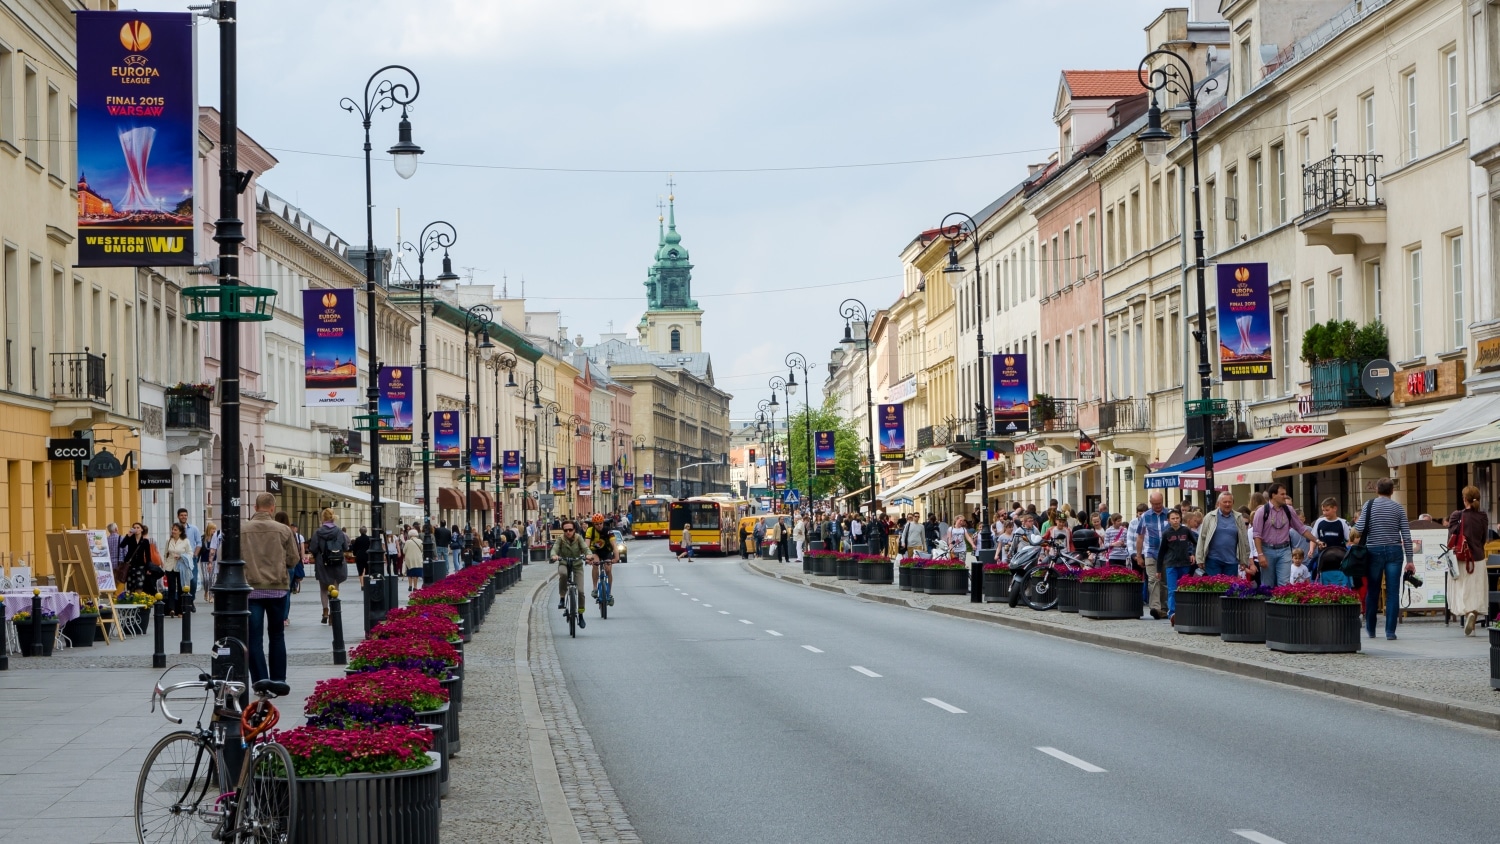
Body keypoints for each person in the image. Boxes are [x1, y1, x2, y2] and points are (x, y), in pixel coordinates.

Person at [241, 492, 299, 684]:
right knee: (276, 635)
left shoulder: (242, 529)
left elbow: (227, 557)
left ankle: (260, 680)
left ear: (255, 508)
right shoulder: (283, 530)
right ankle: (279, 679)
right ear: (272, 508)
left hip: (251, 590)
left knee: (254, 638)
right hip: (277, 589)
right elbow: (294, 559)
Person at [1351, 478, 1416, 640]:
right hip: (1394, 551)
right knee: (1393, 592)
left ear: (1376, 490)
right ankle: (1390, 632)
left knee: (1373, 590)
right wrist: (1410, 559)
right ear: (1392, 491)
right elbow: (1406, 536)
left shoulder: (1369, 505)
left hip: (1373, 551)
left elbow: (1359, 528)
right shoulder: (1398, 508)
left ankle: (1371, 629)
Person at [1252, 484, 1318, 588]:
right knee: (1268, 584)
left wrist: (1316, 540)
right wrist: (1260, 555)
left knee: (1284, 584)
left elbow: (1301, 529)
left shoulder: (1289, 510)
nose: (1285, 496)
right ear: (1273, 495)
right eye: (1282, 494)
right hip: (1267, 550)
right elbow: (1256, 535)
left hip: (1285, 550)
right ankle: (1268, 604)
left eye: (1285, 494)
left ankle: (1282, 603)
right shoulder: (1261, 512)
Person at [1447, 485, 1489, 635]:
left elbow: (1450, 539)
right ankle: (1473, 621)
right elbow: (1484, 538)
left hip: (1460, 559)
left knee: (1462, 589)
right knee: (1477, 591)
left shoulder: (1456, 516)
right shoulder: (1483, 516)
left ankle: (1468, 615)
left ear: (1464, 499)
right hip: (1477, 558)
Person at [307, 508, 349, 625]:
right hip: (337, 562)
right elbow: (345, 547)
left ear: (323, 518)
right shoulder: (339, 532)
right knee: (335, 588)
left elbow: (313, 548)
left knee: (324, 588)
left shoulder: (318, 532)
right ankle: (333, 614)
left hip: (322, 562)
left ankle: (325, 611)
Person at [1134, 492, 1172, 619]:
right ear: (1151, 503)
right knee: (1153, 580)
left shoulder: (1170, 515)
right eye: (1155, 504)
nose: (1158, 506)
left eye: (1160, 503)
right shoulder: (1145, 516)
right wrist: (1139, 555)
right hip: (1151, 552)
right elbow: (1140, 536)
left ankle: (1165, 607)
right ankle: (1155, 608)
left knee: (1165, 581)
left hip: (1167, 553)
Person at [1196, 491, 1250, 578]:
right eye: (1225, 502)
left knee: (1229, 590)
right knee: (1214, 589)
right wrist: (1200, 558)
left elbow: (1244, 540)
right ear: (1218, 503)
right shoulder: (1210, 517)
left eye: (1229, 502)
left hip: (1231, 561)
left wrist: (1244, 560)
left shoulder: (1238, 518)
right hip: (1213, 560)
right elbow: (1202, 538)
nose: (1227, 504)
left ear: (1233, 503)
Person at [1159, 508, 1196, 622]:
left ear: (1180, 518)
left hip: (1185, 564)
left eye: (1177, 518)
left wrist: (1192, 554)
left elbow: (1196, 543)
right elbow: (1162, 552)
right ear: (1168, 520)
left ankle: (1185, 611)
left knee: (1184, 588)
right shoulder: (1166, 533)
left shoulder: (1186, 531)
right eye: (1173, 519)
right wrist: (1158, 570)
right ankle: (1173, 613)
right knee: (1172, 590)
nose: (1175, 521)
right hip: (1171, 565)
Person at [551, 520, 587, 628]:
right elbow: (554, 549)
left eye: (570, 530)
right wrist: (554, 555)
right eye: (565, 530)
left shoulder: (578, 538)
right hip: (564, 563)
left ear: (574, 530)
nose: (568, 532)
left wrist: (589, 555)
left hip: (577, 564)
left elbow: (585, 548)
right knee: (563, 574)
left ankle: (580, 615)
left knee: (580, 591)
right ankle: (562, 598)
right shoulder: (560, 539)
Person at [1311, 498, 1352, 587]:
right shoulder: (1319, 522)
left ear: (1335, 508)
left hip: (1340, 557)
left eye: (1327, 510)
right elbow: (1313, 538)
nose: (1325, 513)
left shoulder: (1343, 522)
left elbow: (1350, 539)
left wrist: (1347, 549)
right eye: (1323, 510)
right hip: (1323, 557)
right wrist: (1311, 549)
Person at [584, 514, 617, 603]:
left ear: (603, 523)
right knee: (596, 563)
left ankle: (609, 593)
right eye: (596, 524)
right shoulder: (590, 530)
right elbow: (586, 545)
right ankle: (595, 588)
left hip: (606, 551)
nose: (599, 525)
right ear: (593, 524)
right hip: (595, 551)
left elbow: (614, 544)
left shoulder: (608, 530)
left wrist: (616, 557)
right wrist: (587, 557)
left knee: (608, 570)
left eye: (600, 523)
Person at [124, 523, 163, 595]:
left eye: (138, 527)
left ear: (141, 529)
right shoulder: (130, 539)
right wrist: (128, 535)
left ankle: (138, 601)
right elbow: (122, 545)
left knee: (139, 585)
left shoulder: (145, 541)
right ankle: (131, 602)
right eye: (134, 527)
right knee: (130, 586)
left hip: (141, 566)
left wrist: (149, 568)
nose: (136, 529)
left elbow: (148, 556)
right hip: (131, 566)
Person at [163, 522, 192, 617]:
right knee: (171, 588)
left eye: (175, 530)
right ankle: (171, 609)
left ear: (180, 532)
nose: (173, 531)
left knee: (180, 588)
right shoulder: (169, 540)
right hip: (170, 566)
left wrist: (181, 556)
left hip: (180, 567)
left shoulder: (185, 541)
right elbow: (165, 553)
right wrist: (165, 565)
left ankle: (180, 611)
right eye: (172, 529)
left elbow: (190, 553)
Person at [176, 508, 203, 598]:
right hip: (180, 558)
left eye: (185, 515)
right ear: (178, 516)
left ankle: (191, 600)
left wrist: (195, 554)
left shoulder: (194, 528)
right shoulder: (175, 529)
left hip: (191, 558)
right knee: (182, 581)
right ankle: (184, 602)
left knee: (193, 580)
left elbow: (199, 543)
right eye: (181, 515)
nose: (184, 517)